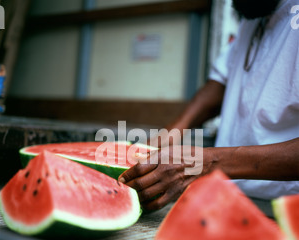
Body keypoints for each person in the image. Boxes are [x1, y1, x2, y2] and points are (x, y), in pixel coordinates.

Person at [119, 0, 299, 212]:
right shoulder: (253, 16)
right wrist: (169, 135)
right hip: (226, 196)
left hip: (286, 203)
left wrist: (208, 162)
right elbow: (220, 82)